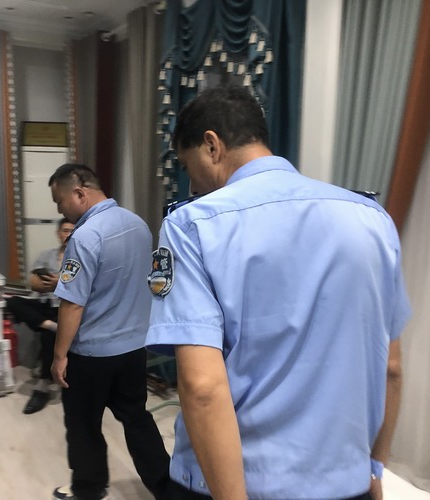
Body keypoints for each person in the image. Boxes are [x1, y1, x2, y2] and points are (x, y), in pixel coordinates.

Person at [145, 85, 411, 500]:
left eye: (186, 164)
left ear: (212, 145)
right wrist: (373, 467)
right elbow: (391, 368)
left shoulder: (192, 226)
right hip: (347, 483)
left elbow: (202, 387)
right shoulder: (373, 220)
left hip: (236, 485)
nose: (191, 184)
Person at [48, 164, 171, 500]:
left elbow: (72, 305)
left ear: (79, 193)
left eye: (60, 201)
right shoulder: (138, 224)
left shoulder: (85, 236)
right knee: (137, 419)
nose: (59, 210)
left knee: (83, 425)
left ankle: (89, 489)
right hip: (133, 348)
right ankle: (167, 488)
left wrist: (59, 356)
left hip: (92, 354)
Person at [6, 217, 74, 414]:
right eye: (65, 230)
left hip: (65, 307)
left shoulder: (82, 257)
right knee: (12, 301)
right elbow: (34, 280)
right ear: (58, 233)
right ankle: (49, 324)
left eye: (73, 231)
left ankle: (43, 386)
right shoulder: (47, 255)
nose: (68, 234)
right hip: (44, 303)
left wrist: (59, 283)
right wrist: (40, 282)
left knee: (49, 336)